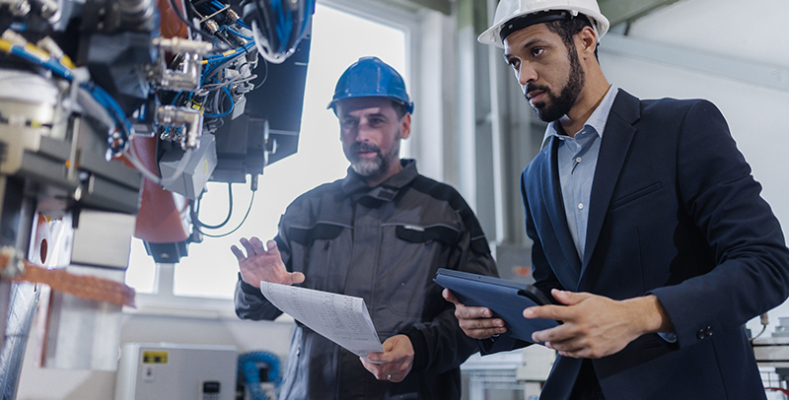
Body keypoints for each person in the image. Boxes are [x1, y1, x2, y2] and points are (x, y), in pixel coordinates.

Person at [443, 1, 789, 399]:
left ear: (586, 39)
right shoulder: (535, 176)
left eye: (537, 51)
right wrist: (498, 321)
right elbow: (557, 292)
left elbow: (767, 266)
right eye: (514, 62)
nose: (526, 75)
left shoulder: (682, 128)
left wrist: (636, 316)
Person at [232, 56, 499, 400]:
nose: (361, 134)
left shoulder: (447, 210)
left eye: (375, 121)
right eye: (349, 122)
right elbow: (253, 311)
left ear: (404, 125)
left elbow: (484, 319)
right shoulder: (306, 211)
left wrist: (420, 347)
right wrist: (256, 287)